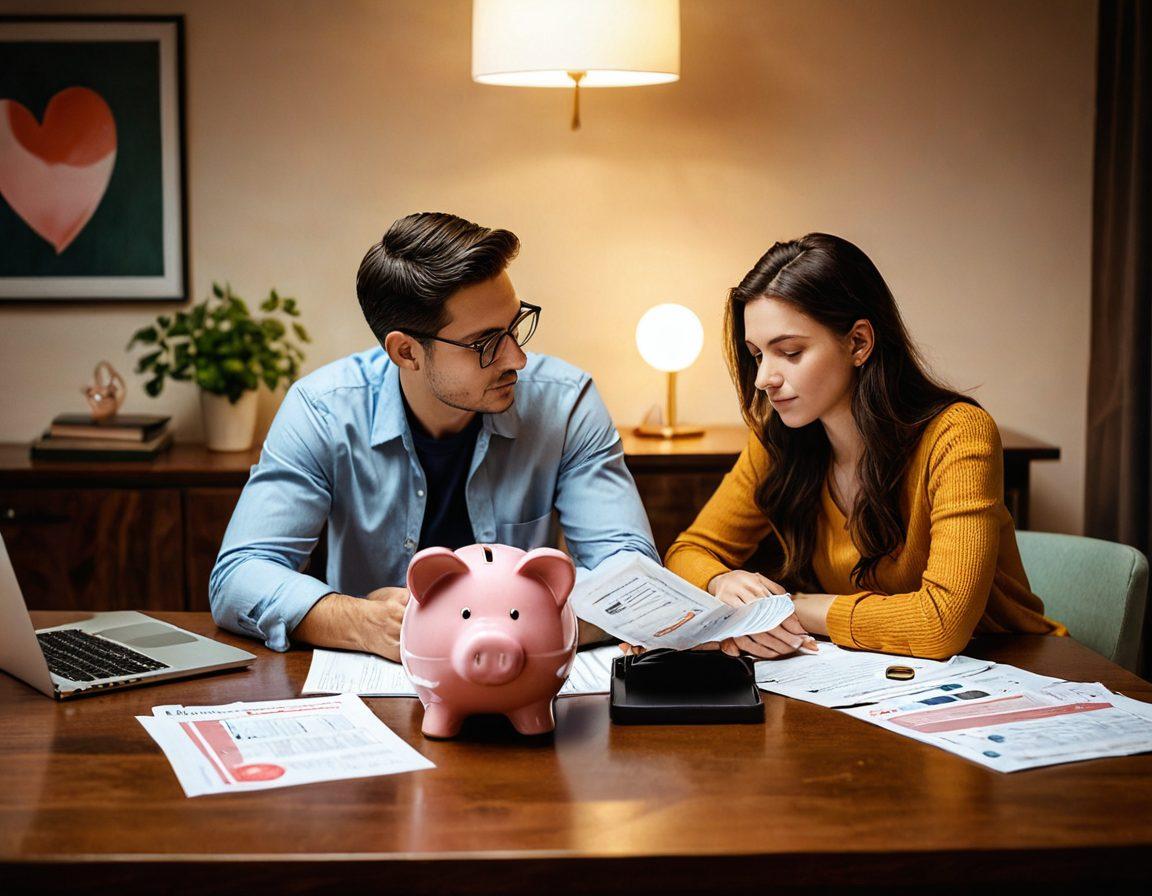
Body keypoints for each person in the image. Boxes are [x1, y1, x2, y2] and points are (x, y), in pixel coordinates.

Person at [209, 212, 663, 661]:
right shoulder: (322, 410)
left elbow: (634, 577)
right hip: (373, 695)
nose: (518, 358)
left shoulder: (566, 405)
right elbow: (238, 576)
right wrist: (362, 623)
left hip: (522, 682)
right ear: (406, 351)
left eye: (515, 325)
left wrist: (501, 623)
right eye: (486, 343)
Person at [665, 233, 1066, 660]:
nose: (764, 378)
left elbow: (941, 626)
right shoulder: (778, 441)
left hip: (1010, 668)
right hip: (880, 673)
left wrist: (791, 608)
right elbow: (688, 552)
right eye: (757, 355)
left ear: (858, 343)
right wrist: (720, 583)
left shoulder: (959, 434)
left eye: (790, 352)